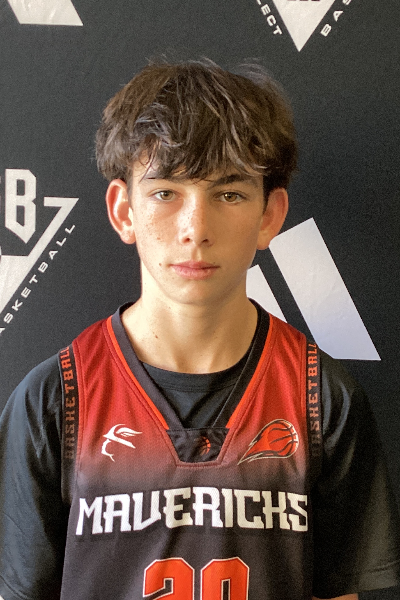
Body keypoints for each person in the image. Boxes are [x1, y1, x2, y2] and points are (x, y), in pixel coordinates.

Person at [0, 59, 399, 600]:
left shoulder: (322, 400)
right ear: (124, 211)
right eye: (166, 193)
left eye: (228, 194)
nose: (196, 229)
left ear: (269, 215)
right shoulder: (54, 403)